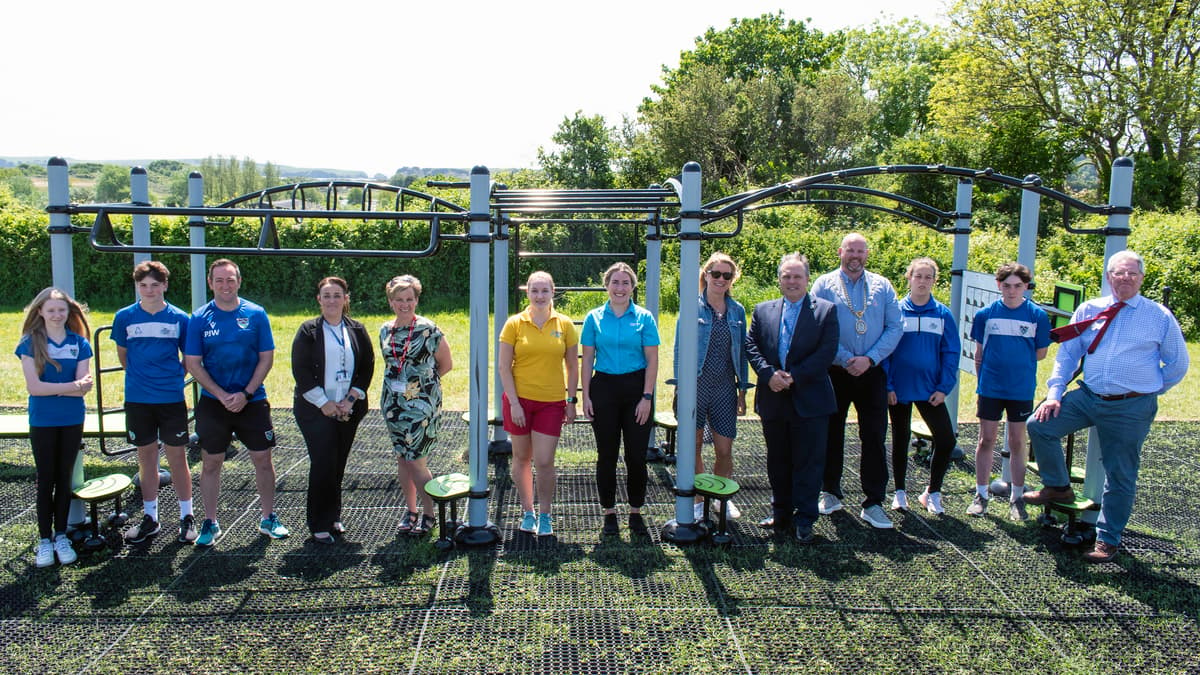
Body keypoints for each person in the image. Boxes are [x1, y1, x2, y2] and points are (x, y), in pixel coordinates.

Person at [1025, 250, 1188, 563]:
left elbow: (1177, 364)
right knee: (1039, 425)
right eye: (1118, 273)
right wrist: (1056, 392)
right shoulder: (1091, 309)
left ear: (1141, 278)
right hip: (1088, 396)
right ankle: (1058, 487)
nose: (1124, 278)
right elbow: (1069, 354)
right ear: (1109, 276)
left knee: (1120, 474)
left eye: (1131, 273)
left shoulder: (1158, 316)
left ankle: (1107, 540)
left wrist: (1146, 391)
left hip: (1131, 406)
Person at [184, 258, 288, 547]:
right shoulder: (199, 318)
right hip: (214, 402)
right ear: (210, 283)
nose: (225, 285)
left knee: (262, 459)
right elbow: (193, 363)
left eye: (230, 279)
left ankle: (269, 517)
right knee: (211, 462)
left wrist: (245, 393)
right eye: (219, 280)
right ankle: (211, 521)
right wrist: (221, 395)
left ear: (239, 281)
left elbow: (266, 357)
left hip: (252, 400)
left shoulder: (255, 314)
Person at [810, 232, 903, 529]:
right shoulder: (824, 284)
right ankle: (830, 491)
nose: (856, 256)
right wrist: (845, 358)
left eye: (861, 251)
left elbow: (895, 327)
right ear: (840, 252)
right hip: (836, 371)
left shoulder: (882, 285)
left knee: (874, 436)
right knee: (831, 432)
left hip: (872, 371)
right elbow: (817, 327)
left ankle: (874, 502)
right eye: (851, 250)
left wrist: (869, 359)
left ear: (867, 254)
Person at [745, 253, 839, 543]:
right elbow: (752, 345)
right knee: (778, 461)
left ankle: (805, 518)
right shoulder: (763, 311)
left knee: (808, 462)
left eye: (797, 276)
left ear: (807, 278)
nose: (792, 281)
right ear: (779, 279)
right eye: (786, 276)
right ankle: (781, 513)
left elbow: (827, 352)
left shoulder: (826, 311)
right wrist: (768, 374)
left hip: (810, 399)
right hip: (773, 398)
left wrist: (794, 376)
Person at [111, 261, 196, 545]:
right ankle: (151, 518)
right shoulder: (124, 317)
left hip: (171, 399)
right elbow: (124, 356)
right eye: (143, 285)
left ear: (165, 286)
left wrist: (173, 377)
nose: (149, 291)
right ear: (137, 287)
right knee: (146, 459)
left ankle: (187, 516)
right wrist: (142, 377)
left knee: (177, 459)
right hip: (138, 399)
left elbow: (189, 357)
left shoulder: (179, 318)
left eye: (155, 285)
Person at [291, 277, 374, 545]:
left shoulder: (357, 329)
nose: (332, 300)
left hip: (347, 409)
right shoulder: (308, 331)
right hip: (316, 410)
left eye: (337, 295)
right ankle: (318, 522)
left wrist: (350, 399)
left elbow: (366, 366)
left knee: (338, 463)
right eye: (326, 295)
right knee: (323, 462)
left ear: (346, 298)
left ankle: (333, 516)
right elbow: (301, 371)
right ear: (319, 299)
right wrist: (323, 403)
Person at [581, 262, 660, 537]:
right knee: (607, 455)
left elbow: (652, 359)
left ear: (633, 287)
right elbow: (588, 358)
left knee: (636, 456)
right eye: (615, 282)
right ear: (607, 285)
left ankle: (636, 510)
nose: (620, 288)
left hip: (637, 388)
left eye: (625, 283)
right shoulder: (594, 318)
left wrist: (647, 397)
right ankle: (609, 511)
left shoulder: (644, 318)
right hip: (604, 388)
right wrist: (586, 395)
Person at [967, 262, 1050, 521]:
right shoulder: (985, 315)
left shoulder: (1037, 316)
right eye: (1007, 286)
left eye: (1017, 286)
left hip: (1021, 388)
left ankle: (1017, 497)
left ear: (1026, 286)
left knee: (1017, 441)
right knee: (986, 439)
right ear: (998, 285)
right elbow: (979, 354)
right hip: (991, 388)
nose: (1012, 291)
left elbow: (1040, 353)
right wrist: (983, 384)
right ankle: (981, 495)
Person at [499, 271, 579, 537]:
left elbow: (572, 365)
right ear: (527, 293)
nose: (540, 296)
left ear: (552, 292)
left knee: (544, 461)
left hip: (550, 402)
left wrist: (571, 400)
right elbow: (503, 367)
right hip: (519, 400)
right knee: (522, 458)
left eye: (545, 290)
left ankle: (545, 514)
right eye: (535, 290)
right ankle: (528, 511)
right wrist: (515, 404)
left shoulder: (565, 324)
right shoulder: (514, 324)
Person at [17, 288, 92, 567]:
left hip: (72, 419)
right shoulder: (29, 343)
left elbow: (84, 388)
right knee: (46, 477)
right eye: (51, 310)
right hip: (43, 420)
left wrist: (58, 389)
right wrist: (69, 387)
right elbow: (34, 388)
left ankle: (61, 535)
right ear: (40, 312)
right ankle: (44, 540)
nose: (57, 315)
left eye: (61, 310)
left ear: (68, 312)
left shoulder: (80, 343)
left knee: (64, 477)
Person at [674, 252, 750, 522]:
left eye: (726, 275)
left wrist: (743, 391)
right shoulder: (691, 307)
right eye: (715, 274)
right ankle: (696, 499)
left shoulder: (738, 311)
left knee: (724, 448)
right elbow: (679, 348)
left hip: (724, 387)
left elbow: (742, 353)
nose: (720, 279)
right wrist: (680, 386)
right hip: (697, 383)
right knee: (693, 445)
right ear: (705, 275)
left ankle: (720, 498)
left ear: (732, 280)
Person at [884, 257, 960, 515]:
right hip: (899, 389)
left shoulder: (942, 314)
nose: (923, 282)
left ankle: (932, 492)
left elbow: (951, 352)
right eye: (919, 276)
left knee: (946, 439)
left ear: (935, 281)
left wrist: (944, 387)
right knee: (900, 438)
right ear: (909, 277)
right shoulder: (896, 311)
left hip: (930, 390)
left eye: (929, 277)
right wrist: (888, 385)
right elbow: (886, 351)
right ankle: (900, 492)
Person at [380, 274, 452, 537]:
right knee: (402, 458)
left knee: (417, 461)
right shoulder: (385, 330)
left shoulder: (428, 329)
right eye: (399, 300)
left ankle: (430, 513)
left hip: (421, 406)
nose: (404, 304)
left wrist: (421, 390)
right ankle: (410, 510)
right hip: (393, 404)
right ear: (390, 301)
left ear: (416, 300)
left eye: (409, 299)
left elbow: (446, 364)